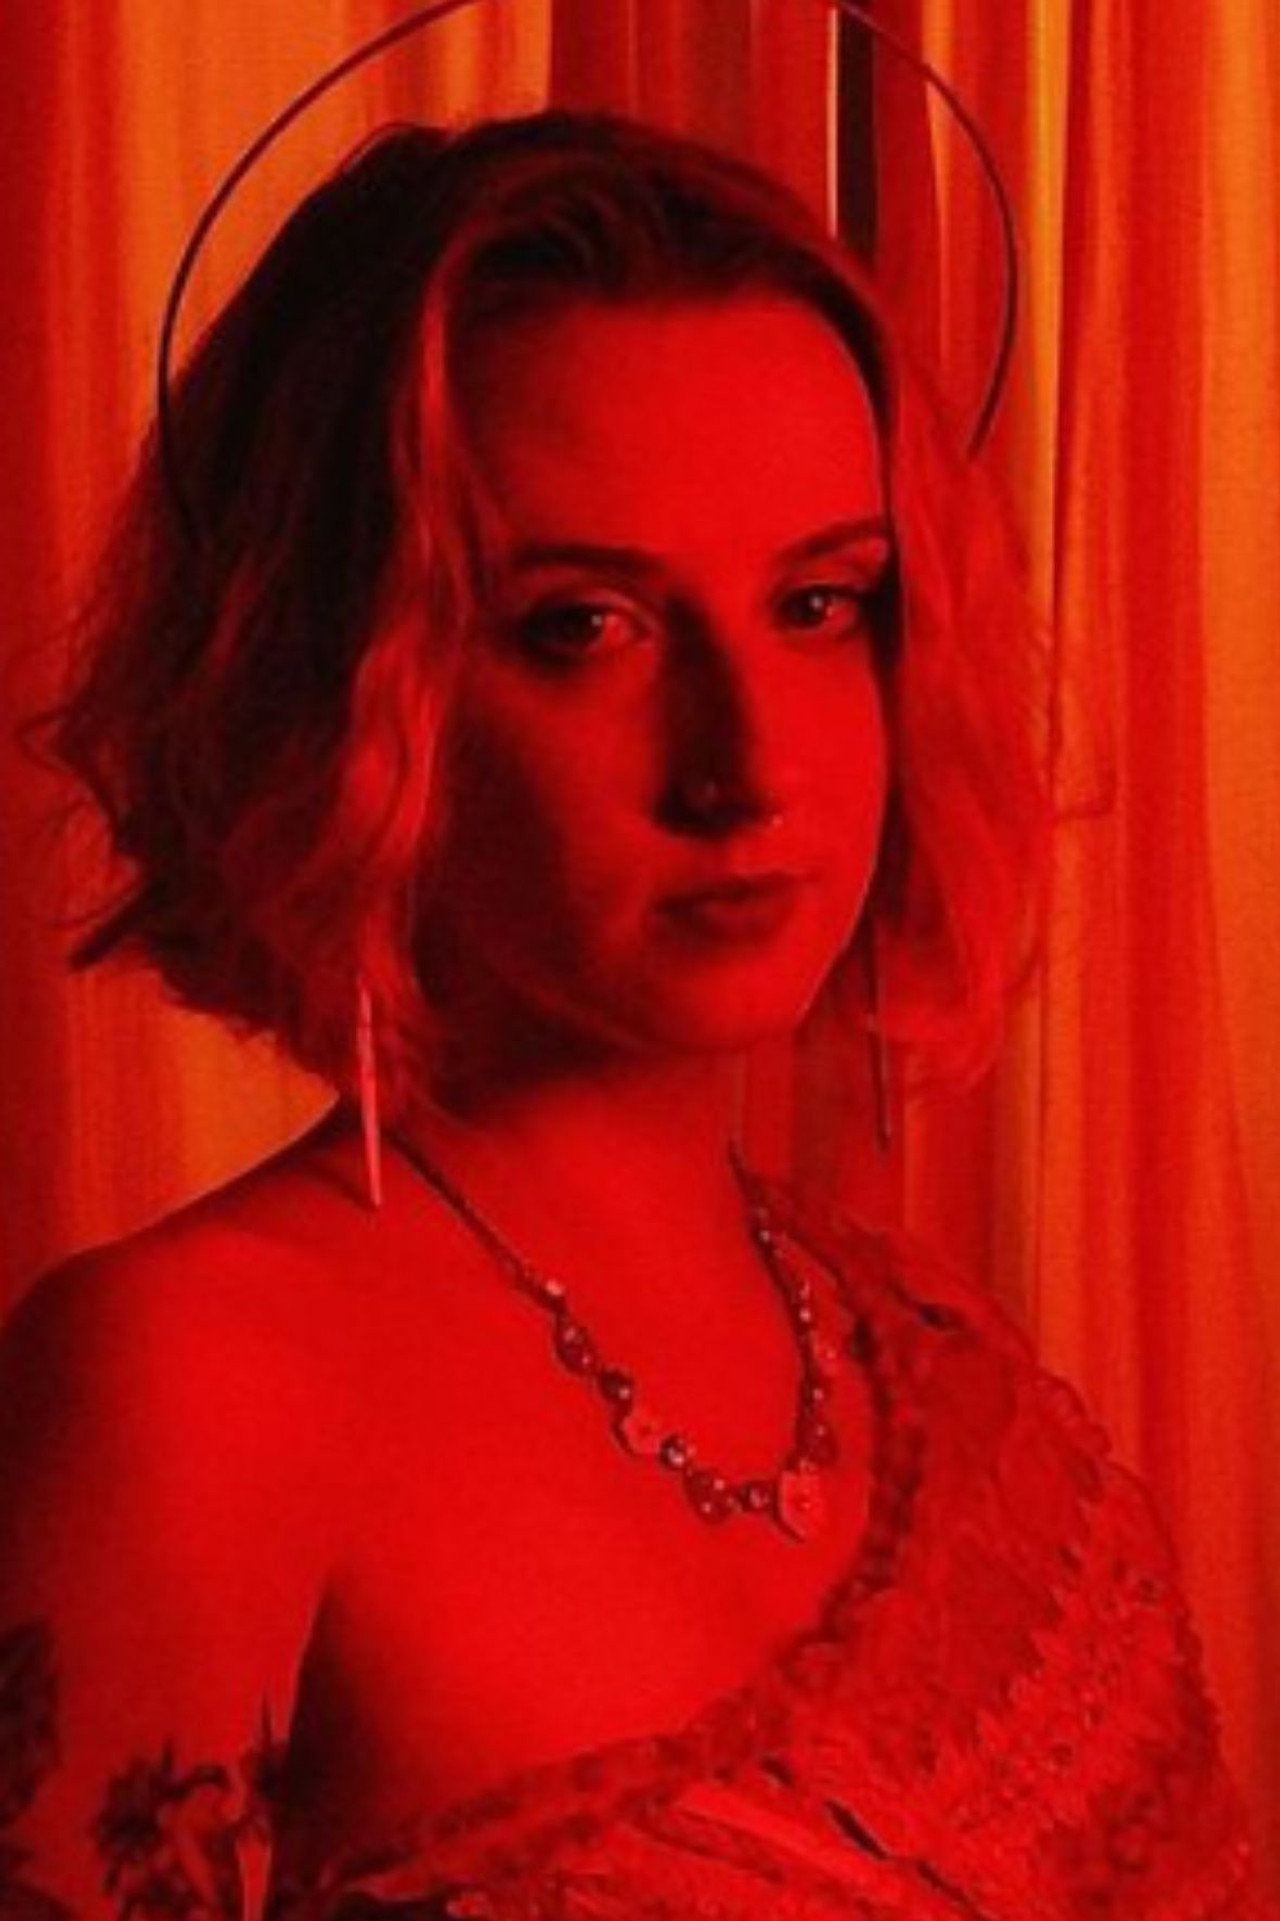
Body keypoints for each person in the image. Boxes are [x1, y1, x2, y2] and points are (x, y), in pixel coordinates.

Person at [0, 108, 1273, 1920]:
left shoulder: (941, 1367)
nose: (744, 762)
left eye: (820, 604)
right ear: (339, 684)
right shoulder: (188, 1386)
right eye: (583, 627)